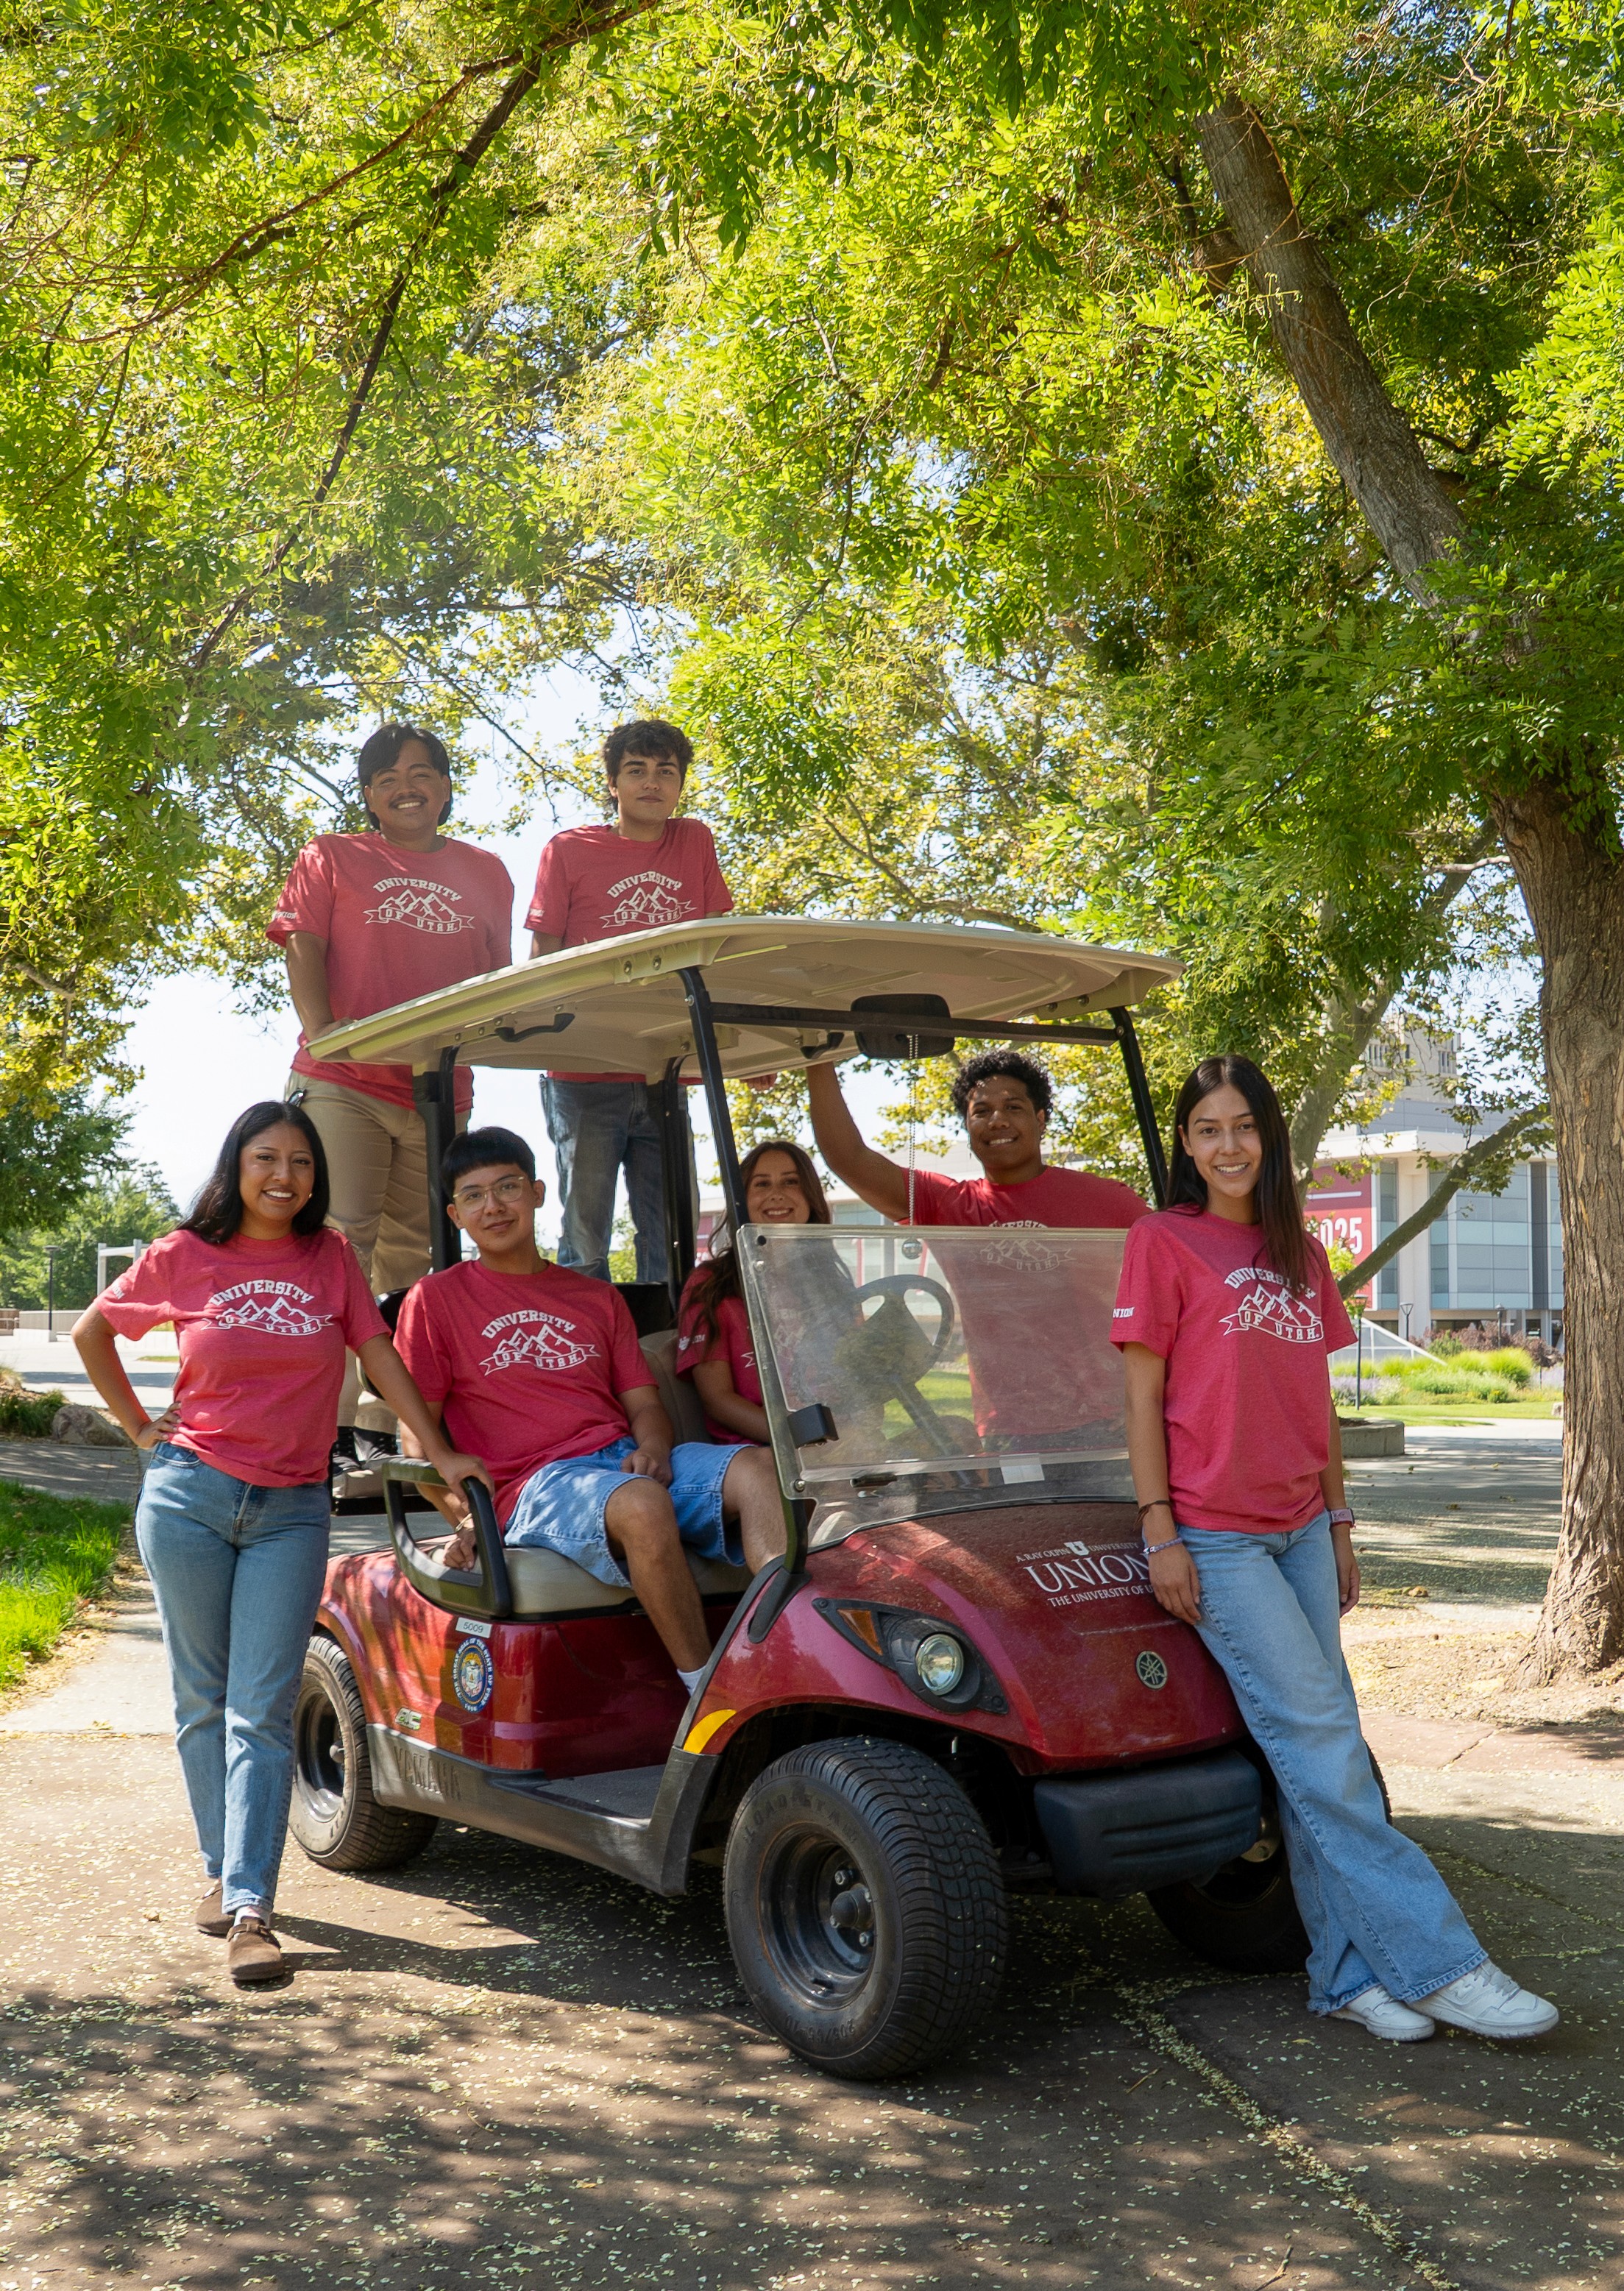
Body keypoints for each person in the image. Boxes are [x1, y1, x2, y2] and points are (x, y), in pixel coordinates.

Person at [1115, 1053, 1558, 2045]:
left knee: (1307, 1756)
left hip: (1301, 1530)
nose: (1224, 1145)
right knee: (1322, 1744)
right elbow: (1140, 1394)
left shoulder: (1297, 1251)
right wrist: (1159, 1532)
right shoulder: (1161, 1241)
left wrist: (1340, 1521)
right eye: (1204, 1130)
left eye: (1241, 1126)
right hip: (1215, 1536)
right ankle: (1443, 1965)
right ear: (1186, 1146)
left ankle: (1344, 1972)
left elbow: (1311, 1400)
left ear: (1268, 1137)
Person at [71, 1102, 489, 1989]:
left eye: (301, 1161)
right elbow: (93, 1331)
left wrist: (435, 1444)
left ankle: (251, 1909)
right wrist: (143, 1429)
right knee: (201, 1701)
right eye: (267, 1158)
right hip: (189, 1496)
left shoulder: (330, 1255)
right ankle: (224, 1870)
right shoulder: (184, 1253)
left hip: (292, 1507)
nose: (284, 1176)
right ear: (237, 1165)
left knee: (258, 1707)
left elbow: (376, 1353)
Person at [393, 1127, 784, 1693]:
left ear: (538, 1191)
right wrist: (467, 1517)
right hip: (537, 1484)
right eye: (474, 1195)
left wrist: (652, 1448)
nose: (494, 1205)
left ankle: (783, 1658)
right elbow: (416, 1435)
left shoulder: (596, 1298)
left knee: (760, 1467)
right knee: (644, 1504)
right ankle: (713, 1699)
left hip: (623, 1462)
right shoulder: (435, 1299)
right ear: (456, 1214)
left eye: (507, 1186)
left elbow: (644, 1404)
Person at [268, 722, 513, 1454]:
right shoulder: (333, 855)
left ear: (444, 785)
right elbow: (303, 944)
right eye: (386, 778)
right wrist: (324, 1031)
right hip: (345, 1081)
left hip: (441, 1091)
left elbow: (493, 983)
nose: (405, 786)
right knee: (335, 1246)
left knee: (419, 1261)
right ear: (369, 795)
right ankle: (325, 1425)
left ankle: (387, 1430)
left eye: (421, 773)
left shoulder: (486, 870)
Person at [527, 719, 732, 1283]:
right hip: (585, 1070)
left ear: (681, 784)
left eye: (666, 772)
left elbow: (714, 947)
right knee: (585, 1233)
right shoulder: (570, 850)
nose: (651, 783)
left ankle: (665, 1353)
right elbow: (543, 952)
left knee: (671, 1230)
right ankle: (588, 1356)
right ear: (612, 783)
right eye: (636, 771)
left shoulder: (693, 841)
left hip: (664, 1067)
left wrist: (737, 1050)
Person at [807, 1047, 1148, 1230]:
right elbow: (847, 1157)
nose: (997, 1121)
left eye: (1013, 1107)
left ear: (1040, 1120)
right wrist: (818, 1056)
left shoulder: (1107, 1200)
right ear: (967, 1127)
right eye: (981, 1112)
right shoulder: (947, 1205)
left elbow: (1176, 1264)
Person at [677, 1141, 832, 1443]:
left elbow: (862, 1377)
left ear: (811, 1197)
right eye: (761, 1184)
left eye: (791, 1181)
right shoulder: (710, 1284)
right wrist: (800, 1442)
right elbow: (718, 1399)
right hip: (763, 1448)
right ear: (741, 1200)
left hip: (838, 1440)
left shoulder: (829, 1281)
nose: (777, 1194)